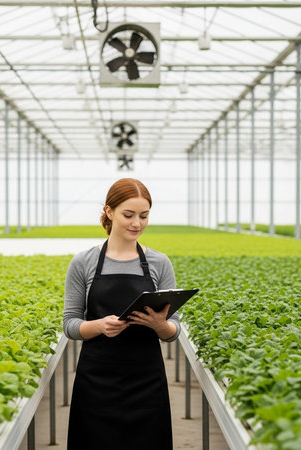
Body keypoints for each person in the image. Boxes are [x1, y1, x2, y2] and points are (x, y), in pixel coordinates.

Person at [63, 177, 180, 450]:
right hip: (96, 380)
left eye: (144, 216)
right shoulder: (84, 262)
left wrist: (159, 325)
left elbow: (173, 331)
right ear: (109, 211)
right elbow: (70, 324)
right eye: (128, 215)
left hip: (147, 379)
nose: (137, 223)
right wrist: (99, 326)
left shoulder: (159, 263)